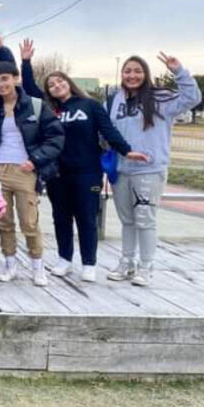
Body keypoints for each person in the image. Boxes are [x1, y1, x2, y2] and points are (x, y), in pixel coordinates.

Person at [42, 71, 147, 282]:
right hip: (58, 174)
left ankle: (89, 263)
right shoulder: (50, 111)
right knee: (61, 218)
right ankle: (64, 259)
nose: (57, 86)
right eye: (51, 85)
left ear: (68, 82)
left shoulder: (91, 105)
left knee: (87, 219)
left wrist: (125, 151)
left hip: (87, 172)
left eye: (60, 81)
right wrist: (26, 63)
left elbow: (109, 131)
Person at [106, 53, 201, 286]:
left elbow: (192, 98)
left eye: (137, 71)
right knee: (127, 220)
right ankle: (127, 261)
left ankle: (146, 266)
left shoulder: (161, 98)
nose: (132, 75)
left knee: (145, 219)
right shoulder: (114, 99)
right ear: (122, 74)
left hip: (148, 169)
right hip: (121, 169)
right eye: (127, 71)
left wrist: (178, 71)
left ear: (145, 73)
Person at [0, 61, 64, 286]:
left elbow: (55, 137)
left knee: (29, 221)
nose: (0, 84)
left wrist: (35, 160)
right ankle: (9, 265)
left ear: (16, 79)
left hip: (25, 169)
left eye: (5, 79)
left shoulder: (35, 105)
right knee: (4, 221)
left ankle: (38, 267)